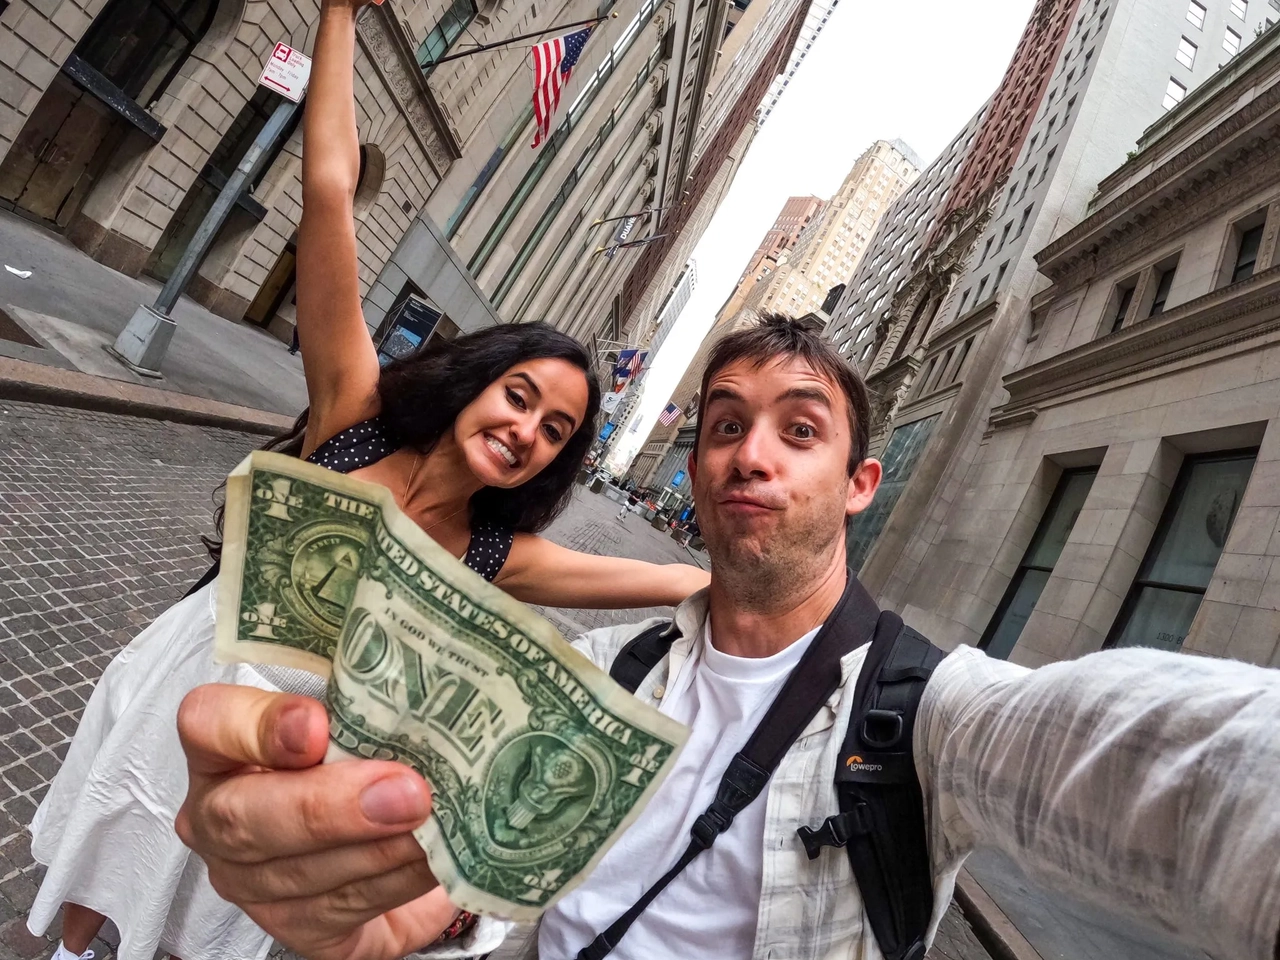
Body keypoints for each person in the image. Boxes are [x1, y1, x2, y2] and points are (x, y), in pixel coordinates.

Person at [173, 315, 1280, 960]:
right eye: (723, 428)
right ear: (695, 468)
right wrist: (374, 920)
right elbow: (462, 888)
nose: (751, 454)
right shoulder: (611, 671)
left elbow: (1179, 762)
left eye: (797, 431)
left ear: (857, 486)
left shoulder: (927, 715)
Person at [24, 3, 707, 960]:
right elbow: (332, 192)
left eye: (556, 431)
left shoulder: (496, 553)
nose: (526, 431)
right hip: (188, 678)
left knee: (211, 909)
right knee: (115, 857)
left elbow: (690, 586)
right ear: (477, 383)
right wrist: (340, 14)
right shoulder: (355, 418)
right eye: (519, 397)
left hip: (292, 742)